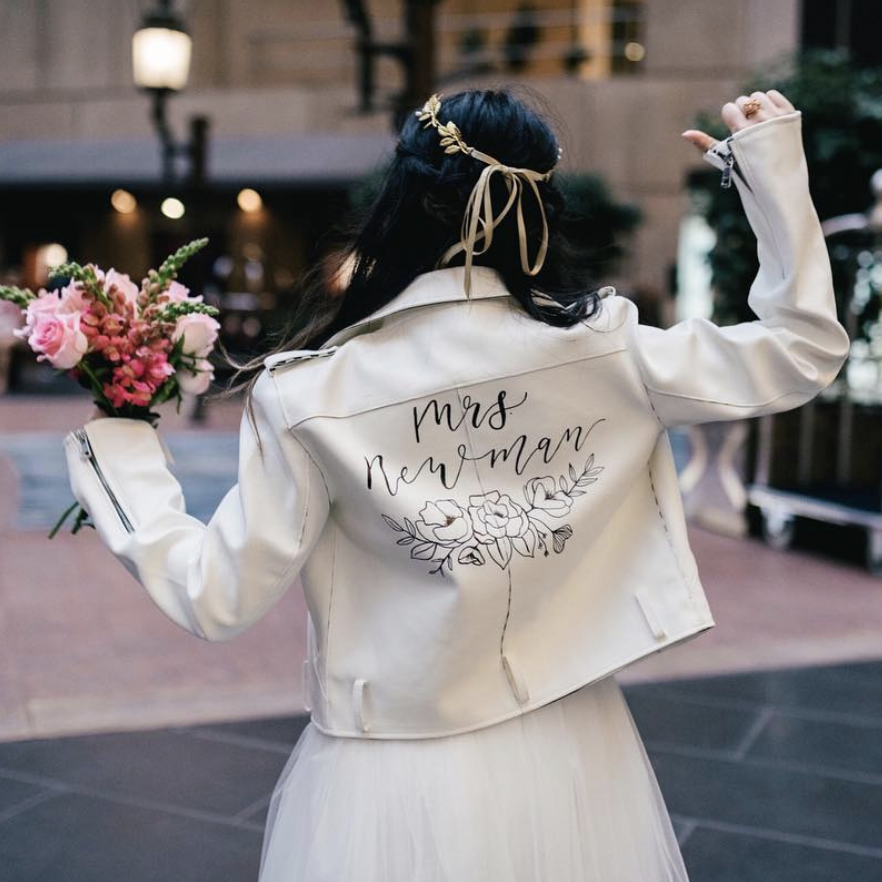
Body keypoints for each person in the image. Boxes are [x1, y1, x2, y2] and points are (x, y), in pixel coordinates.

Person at [65, 88, 848, 881]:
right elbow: (801, 349)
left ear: (402, 203)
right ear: (537, 210)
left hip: (389, 780)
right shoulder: (608, 349)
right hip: (573, 748)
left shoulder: (309, 392)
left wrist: (122, 446)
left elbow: (215, 596)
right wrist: (768, 165)